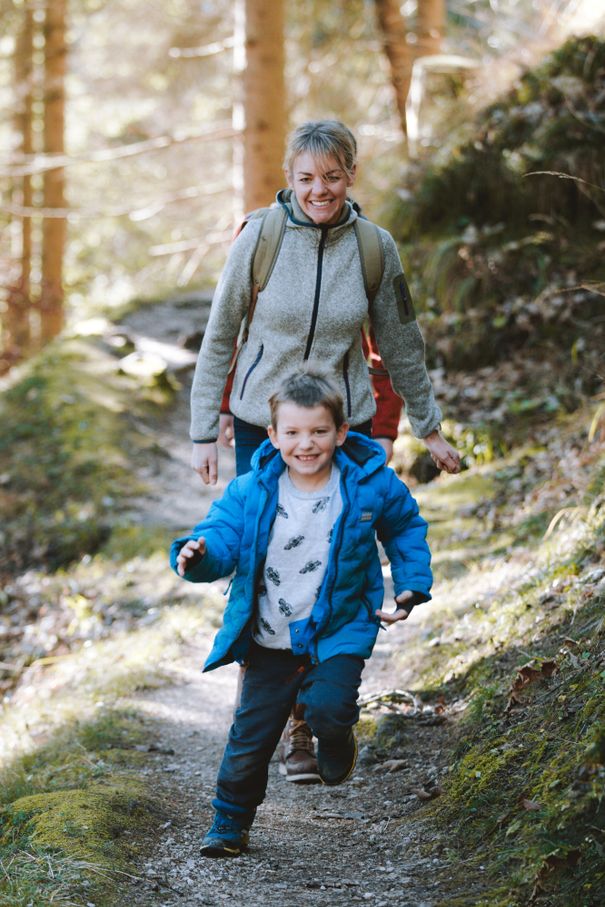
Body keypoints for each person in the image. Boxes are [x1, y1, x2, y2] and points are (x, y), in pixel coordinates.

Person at [188, 118, 458, 782]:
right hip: (264, 427)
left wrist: (428, 426)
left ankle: (311, 720)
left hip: (342, 425)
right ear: (289, 177)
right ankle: (274, 709)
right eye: (306, 179)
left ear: (350, 175)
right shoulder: (259, 238)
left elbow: (400, 343)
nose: (319, 191)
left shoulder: (372, 247)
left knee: (331, 565)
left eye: (332, 177)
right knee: (266, 566)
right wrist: (205, 426)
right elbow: (221, 331)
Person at [171, 365, 432, 857]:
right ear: (271, 435)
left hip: (338, 626)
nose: (305, 444)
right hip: (269, 637)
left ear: (341, 432)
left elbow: (404, 527)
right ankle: (229, 824)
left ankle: (336, 738)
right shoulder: (254, 487)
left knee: (329, 708)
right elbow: (223, 534)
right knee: (249, 738)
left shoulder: (368, 483)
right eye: (292, 432)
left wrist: (412, 583)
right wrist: (198, 555)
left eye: (318, 431)